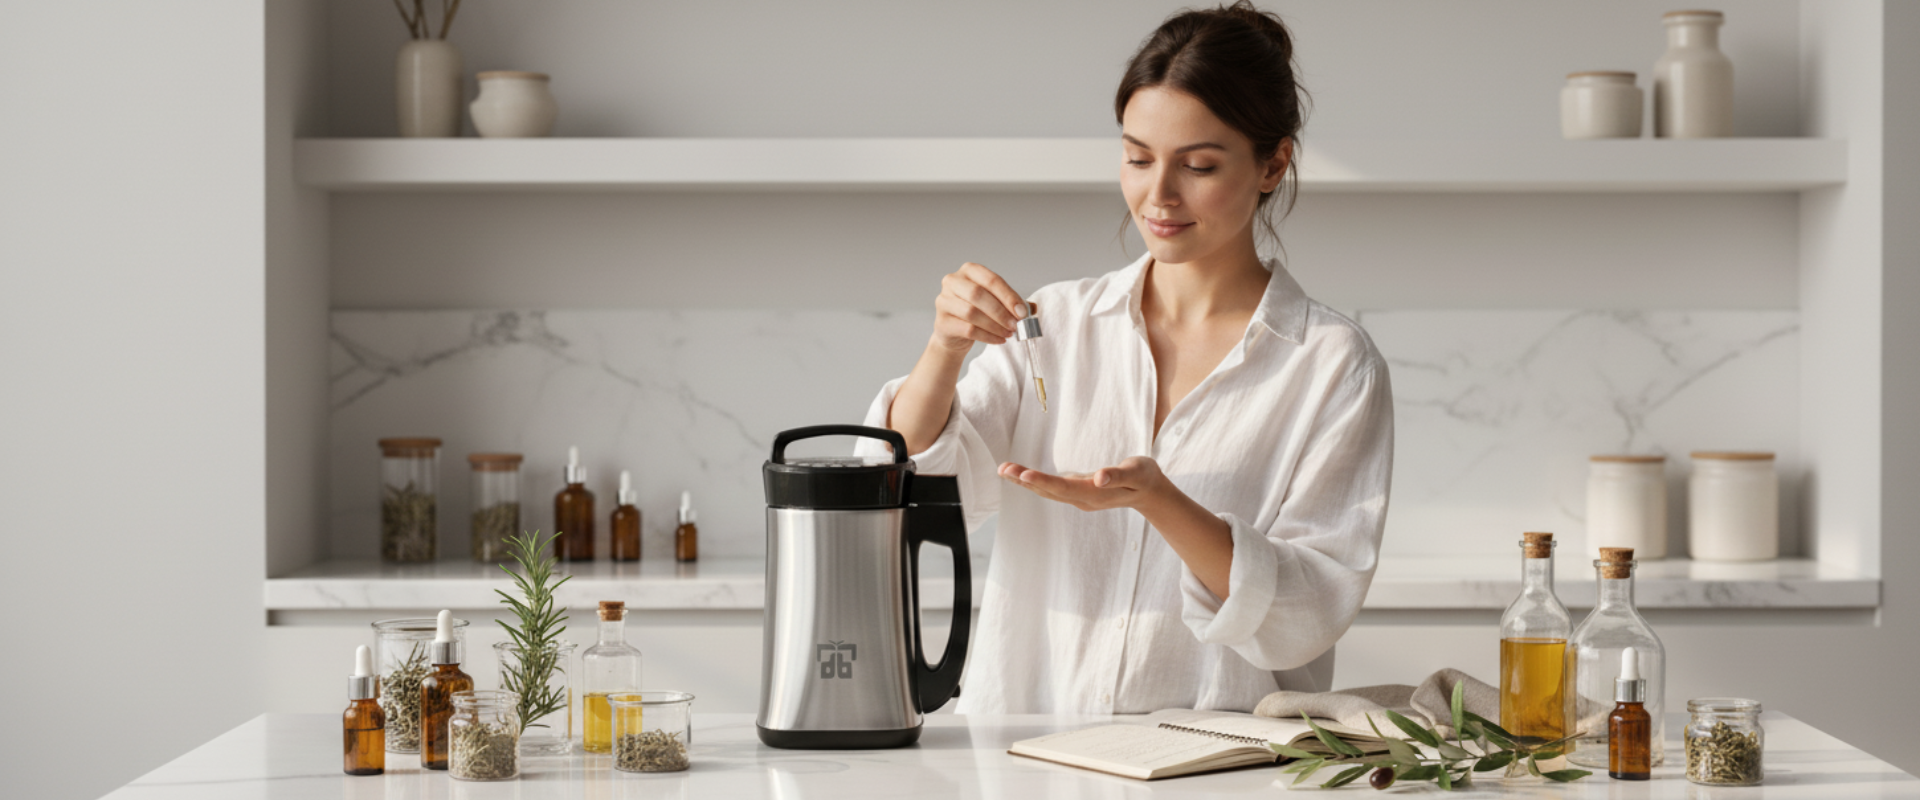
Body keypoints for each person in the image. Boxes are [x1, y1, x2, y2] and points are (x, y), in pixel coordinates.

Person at [856, 1, 1393, 714]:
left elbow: (1304, 616)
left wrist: (1160, 502)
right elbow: (904, 492)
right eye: (1137, 157)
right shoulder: (1055, 325)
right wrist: (943, 352)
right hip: (1027, 751)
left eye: (1197, 165)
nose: (1158, 194)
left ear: (1274, 163)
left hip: (1217, 765)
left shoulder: (1331, 365)